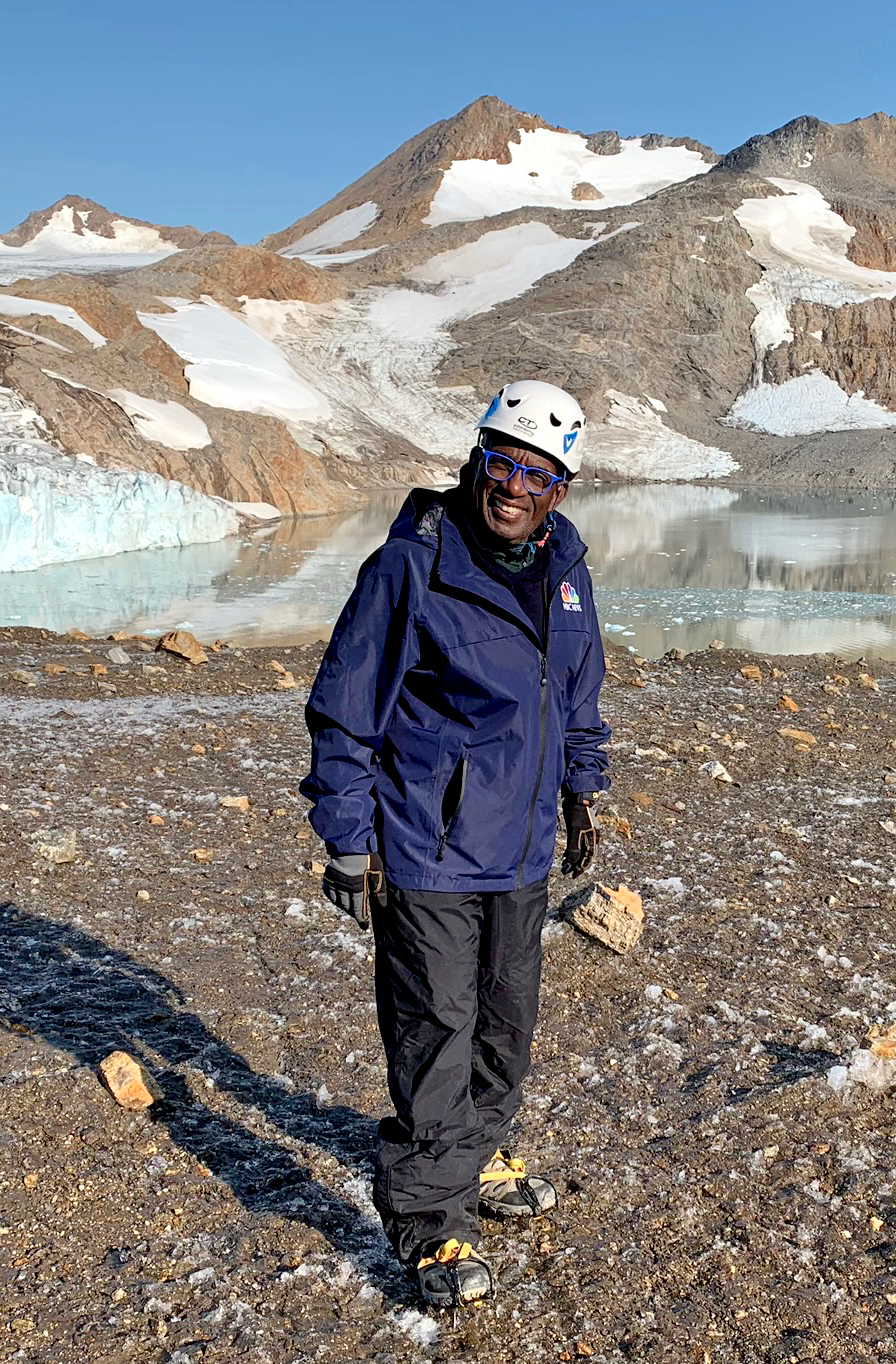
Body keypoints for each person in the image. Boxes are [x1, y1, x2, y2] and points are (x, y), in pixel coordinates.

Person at [299, 379, 610, 1307]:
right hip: (428, 845)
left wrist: (581, 791)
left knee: (506, 1023)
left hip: (522, 845)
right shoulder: (413, 564)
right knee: (437, 1029)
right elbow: (346, 709)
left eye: (538, 475)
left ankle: (477, 1152)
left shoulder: (566, 570)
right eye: (504, 463)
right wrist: (347, 840)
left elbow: (577, 689)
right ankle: (430, 1219)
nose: (516, 487)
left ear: (560, 489)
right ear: (477, 460)